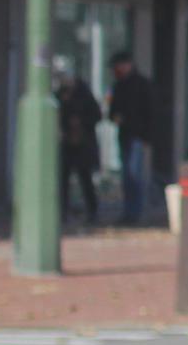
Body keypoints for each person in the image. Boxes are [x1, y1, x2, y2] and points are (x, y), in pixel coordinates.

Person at [106, 52, 157, 226]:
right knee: (127, 175)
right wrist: (116, 117)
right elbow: (112, 111)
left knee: (134, 174)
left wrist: (147, 138)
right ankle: (129, 212)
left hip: (138, 136)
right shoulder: (119, 85)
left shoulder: (142, 85)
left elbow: (151, 112)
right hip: (124, 135)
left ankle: (137, 212)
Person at [57, 72, 103, 224]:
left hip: (83, 144)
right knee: (63, 180)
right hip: (65, 144)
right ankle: (62, 211)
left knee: (85, 179)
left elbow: (97, 115)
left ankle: (92, 210)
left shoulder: (84, 94)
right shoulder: (58, 95)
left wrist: (80, 121)